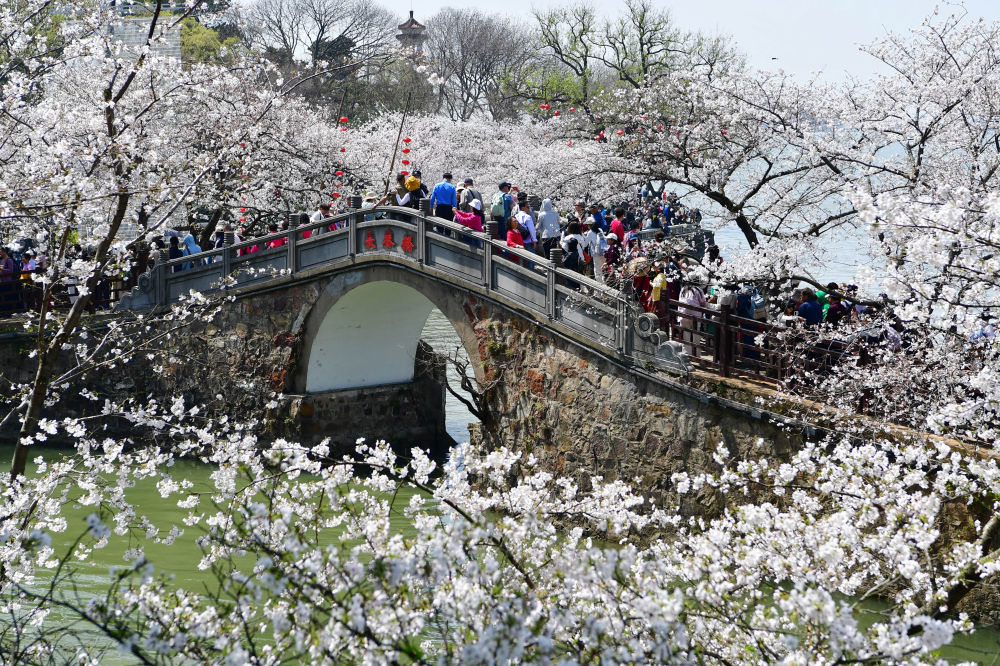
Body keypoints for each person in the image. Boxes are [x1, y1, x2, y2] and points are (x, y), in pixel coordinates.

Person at [583, 218, 608, 284]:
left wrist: (584, 236)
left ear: (590, 225)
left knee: (597, 270)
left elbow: (585, 244)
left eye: (587, 225)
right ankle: (605, 283)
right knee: (603, 269)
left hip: (596, 254)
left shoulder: (590, 232)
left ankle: (600, 285)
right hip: (603, 252)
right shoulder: (600, 230)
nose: (587, 226)